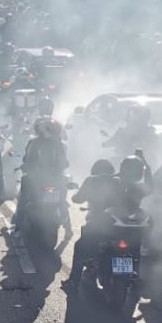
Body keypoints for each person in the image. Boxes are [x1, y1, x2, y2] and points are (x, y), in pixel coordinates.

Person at [61, 160, 123, 291]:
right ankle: (129, 278)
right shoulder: (119, 181)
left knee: (79, 247)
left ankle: (73, 282)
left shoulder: (92, 180)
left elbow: (77, 199)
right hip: (118, 226)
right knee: (126, 249)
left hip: (97, 225)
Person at [13, 117, 68, 230]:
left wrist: (27, 167)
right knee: (62, 201)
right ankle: (68, 228)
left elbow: (27, 160)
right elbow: (65, 163)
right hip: (55, 179)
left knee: (23, 198)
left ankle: (18, 228)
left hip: (37, 179)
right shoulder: (60, 144)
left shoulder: (35, 142)